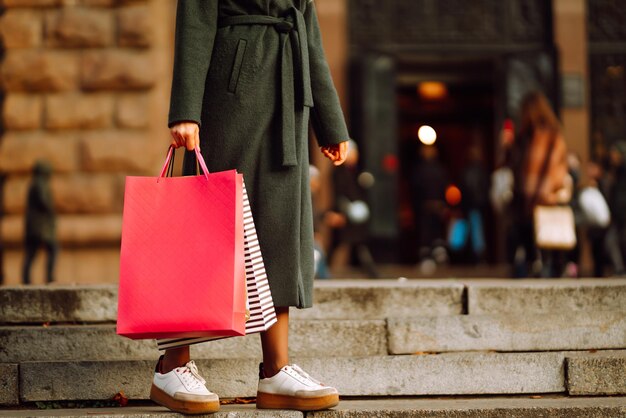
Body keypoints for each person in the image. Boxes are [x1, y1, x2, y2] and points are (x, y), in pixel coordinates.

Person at [156, 1, 349, 414]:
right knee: (211, 226)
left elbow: (307, 27)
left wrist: (329, 122)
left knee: (278, 227)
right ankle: (173, 365)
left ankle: (276, 370)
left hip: (288, 100)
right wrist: (186, 109)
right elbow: (195, 18)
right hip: (232, 95)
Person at [508, 91, 569, 278]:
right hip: (528, 203)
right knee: (530, 252)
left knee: (547, 250)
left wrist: (545, 195)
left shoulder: (549, 138)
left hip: (543, 202)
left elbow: (553, 171)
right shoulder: (523, 138)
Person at [22, 161, 58, 285]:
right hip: (40, 227)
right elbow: (44, 201)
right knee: (52, 249)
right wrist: (51, 211)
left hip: (35, 226)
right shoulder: (39, 183)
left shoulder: (34, 183)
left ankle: (27, 279)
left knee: (32, 253)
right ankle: (48, 277)